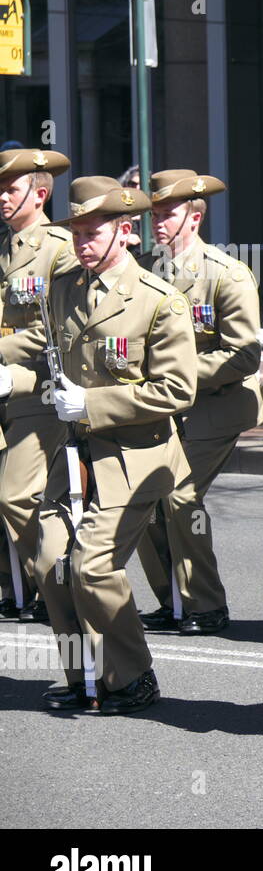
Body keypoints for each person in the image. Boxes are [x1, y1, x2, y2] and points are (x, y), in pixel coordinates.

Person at [0, 175, 197, 714]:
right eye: (78, 232)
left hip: (137, 454)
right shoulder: (65, 287)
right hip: (76, 451)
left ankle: (132, 675)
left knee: (91, 565)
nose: (82, 242)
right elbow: (49, 362)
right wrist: (13, 382)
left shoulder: (161, 301)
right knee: (47, 559)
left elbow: (177, 389)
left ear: (127, 233)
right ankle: (85, 673)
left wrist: (93, 404)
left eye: (93, 232)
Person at [135, 169, 263, 636]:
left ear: (195, 216)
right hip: (157, 407)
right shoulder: (146, 270)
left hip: (213, 407)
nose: (158, 222)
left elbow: (244, 355)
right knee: (144, 500)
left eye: (167, 214)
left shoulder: (226, 273)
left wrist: (179, 377)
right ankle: (173, 600)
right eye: (154, 214)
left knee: (179, 497)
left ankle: (205, 605)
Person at [0, 148, 80, 623]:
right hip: (7, 387)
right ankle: (19, 586)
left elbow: (56, 323)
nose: (2, 198)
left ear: (41, 192)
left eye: (10, 189)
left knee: (16, 494)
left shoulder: (59, 247)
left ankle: (54, 586)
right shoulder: (5, 247)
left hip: (40, 389)